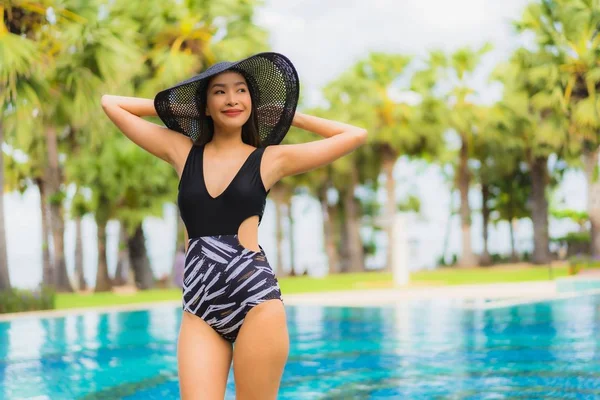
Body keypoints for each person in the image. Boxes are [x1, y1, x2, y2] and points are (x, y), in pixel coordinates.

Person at [101, 52, 367, 400]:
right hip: (199, 308)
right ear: (205, 104)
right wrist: (187, 109)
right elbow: (112, 104)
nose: (232, 99)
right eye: (219, 92)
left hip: (256, 301)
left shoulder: (269, 158)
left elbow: (355, 134)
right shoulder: (182, 151)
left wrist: (291, 116)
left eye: (241, 91)